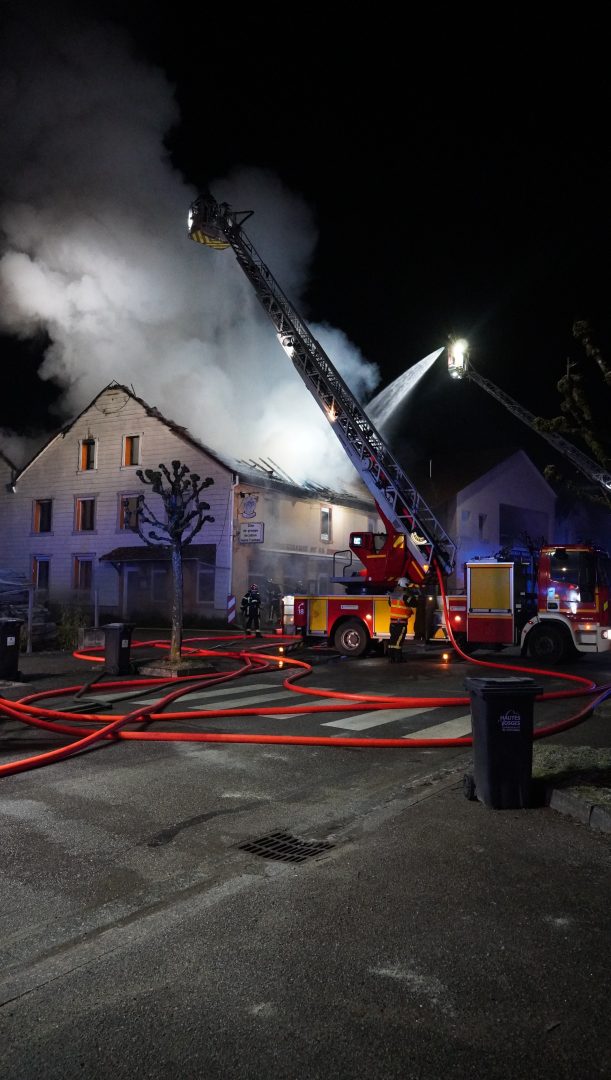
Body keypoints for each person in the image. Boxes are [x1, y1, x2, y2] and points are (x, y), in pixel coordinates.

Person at [387, 577, 419, 663]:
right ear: (405, 585)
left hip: (392, 622)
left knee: (392, 640)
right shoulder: (405, 595)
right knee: (399, 641)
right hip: (401, 623)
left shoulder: (392, 595)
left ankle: (391, 658)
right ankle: (398, 658)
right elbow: (415, 603)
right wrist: (413, 594)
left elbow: (390, 604)